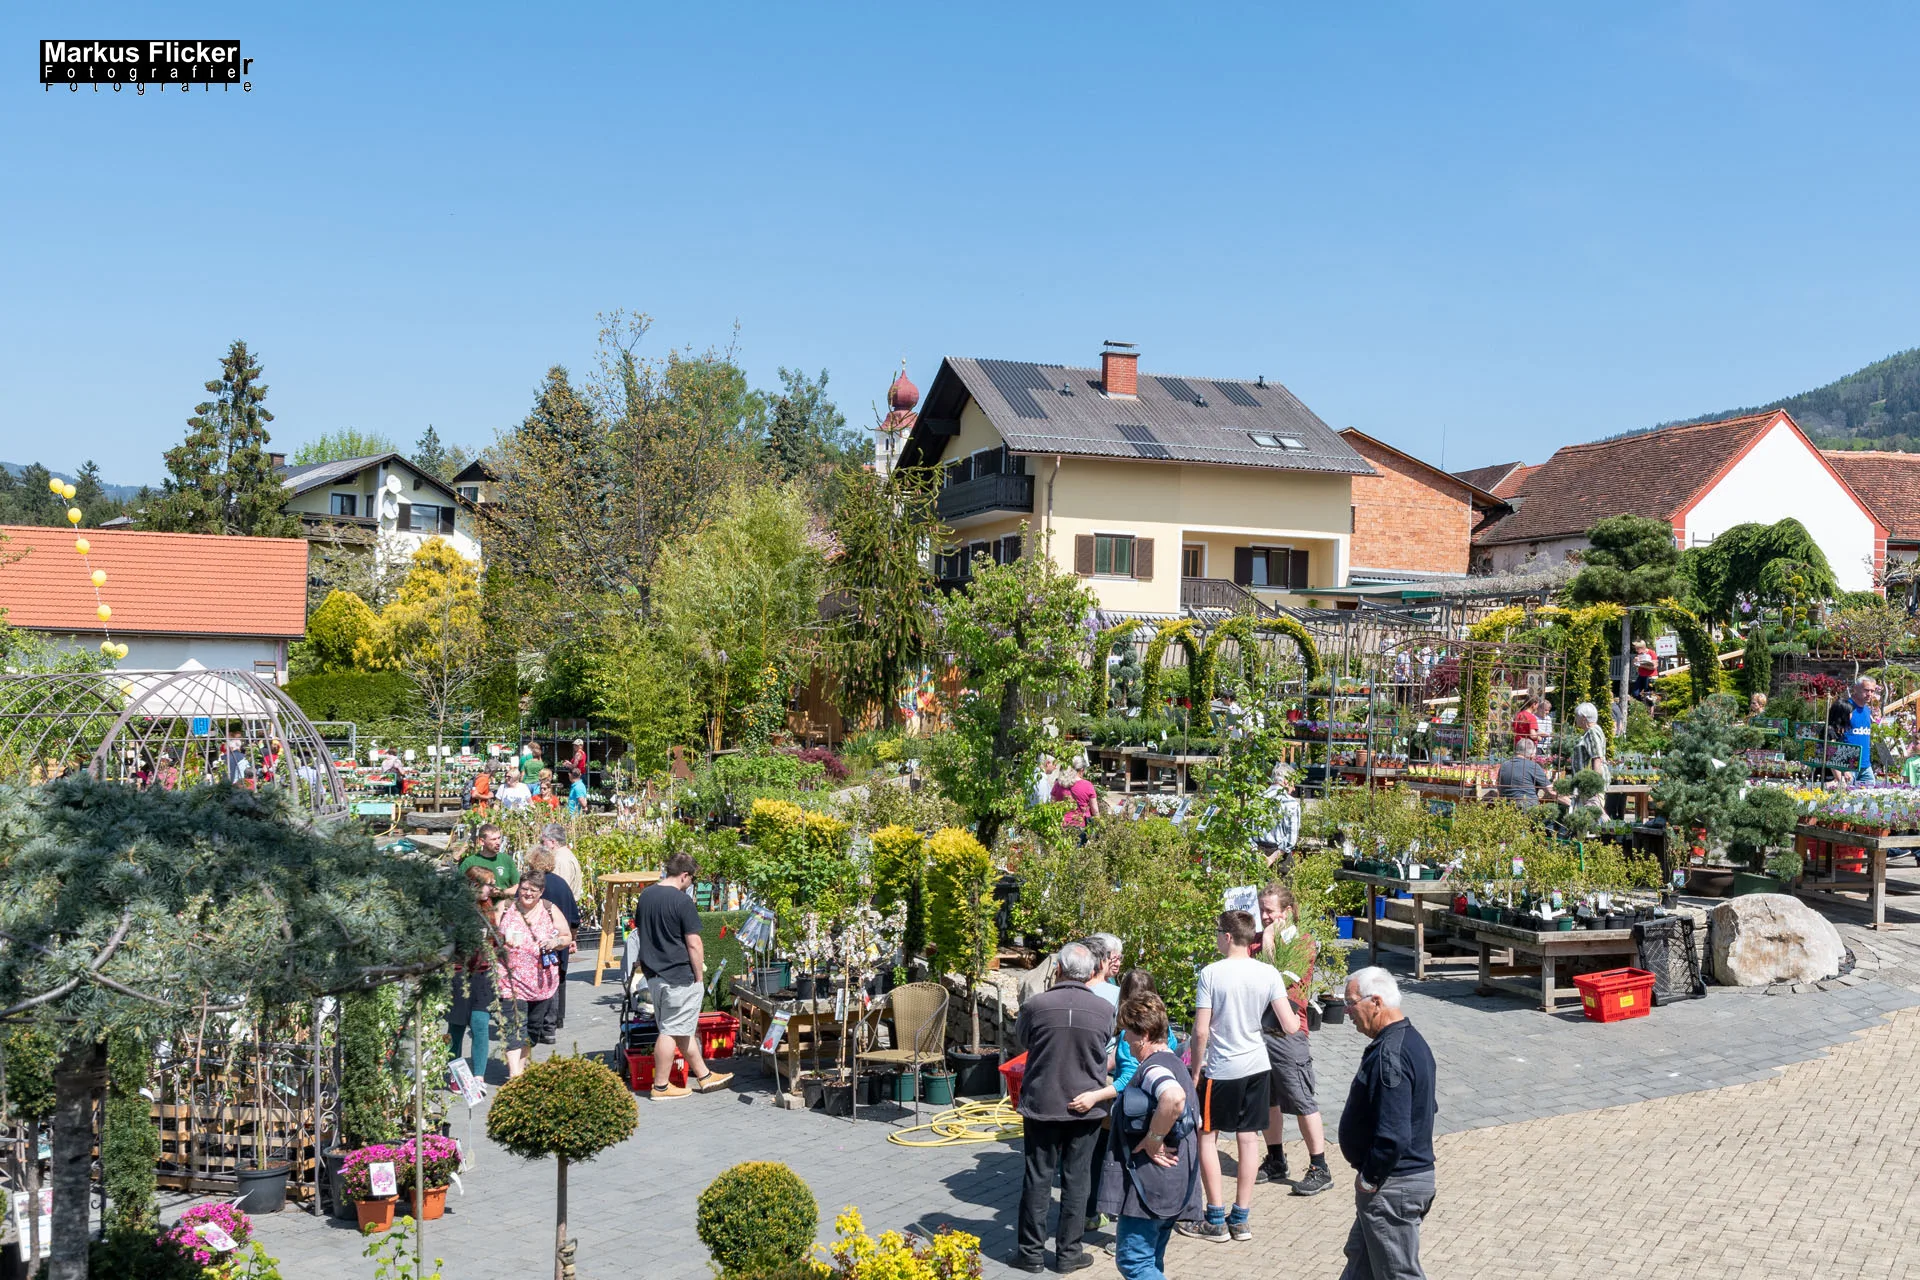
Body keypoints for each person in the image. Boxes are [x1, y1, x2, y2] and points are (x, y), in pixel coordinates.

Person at [1175, 910, 1300, 1244]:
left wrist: (1196, 1071)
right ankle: (1241, 1219)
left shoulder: (1211, 974)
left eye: (1218, 932)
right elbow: (1291, 1026)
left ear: (1228, 936)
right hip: (1257, 1066)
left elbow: (1201, 1031)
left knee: (1207, 1137)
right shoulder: (1269, 972)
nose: (1216, 937)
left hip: (1221, 1068)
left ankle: (1215, 1218)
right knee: (1248, 1139)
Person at [1013, 941, 1114, 1274]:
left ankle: (1030, 1254)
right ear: (1090, 973)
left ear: (1058, 969)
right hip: (1085, 1105)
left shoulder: (1036, 1005)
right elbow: (1104, 1043)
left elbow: (1024, 1041)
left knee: (1038, 1177)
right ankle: (1069, 1254)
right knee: (1076, 1179)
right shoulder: (1103, 1009)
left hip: (1043, 1102)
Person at [1337, 967, 1437, 1280]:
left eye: (1351, 1003)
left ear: (1376, 1001)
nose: (1347, 1012)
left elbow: (1393, 1134)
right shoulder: (1411, 1040)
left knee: (1398, 1274)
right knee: (1360, 1263)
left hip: (1392, 1187)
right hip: (1399, 1184)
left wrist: (1370, 1177)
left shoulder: (1390, 1054)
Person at [1094, 992, 1202, 1280]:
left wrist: (1154, 1140)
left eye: (1128, 1032)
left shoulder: (1154, 1068)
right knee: (1152, 1259)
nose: (1125, 1040)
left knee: (1135, 1262)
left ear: (1143, 1034)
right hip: (1173, 1180)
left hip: (1151, 1185)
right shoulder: (1176, 1061)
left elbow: (1174, 1098)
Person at [1253, 885, 1333, 1196]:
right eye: (1262, 910)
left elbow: (1280, 980)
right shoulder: (1257, 941)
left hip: (1288, 1034)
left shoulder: (1303, 943)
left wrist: (1270, 941)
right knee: (1268, 1099)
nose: (1264, 916)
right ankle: (1276, 1158)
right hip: (1259, 1033)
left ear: (1286, 912)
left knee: (1301, 1099)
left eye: (1270, 911)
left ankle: (1320, 1166)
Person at [632, 853, 732, 1099]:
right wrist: (698, 975)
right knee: (669, 1030)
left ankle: (704, 1075)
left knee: (680, 1027)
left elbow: (639, 931)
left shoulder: (646, 896)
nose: (692, 883)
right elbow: (694, 944)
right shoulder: (682, 901)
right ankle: (661, 1086)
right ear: (684, 875)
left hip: (654, 974)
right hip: (678, 974)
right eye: (692, 878)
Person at [492, 871, 572, 1079]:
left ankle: (521, 1066)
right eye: (524, 889)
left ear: (541, 892)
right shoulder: (506, 907)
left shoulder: (549, 909)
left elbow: (566, 936)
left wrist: (555, 942)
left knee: (533, 1030)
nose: (527, 894)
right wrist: (500, 941)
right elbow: (490, 935)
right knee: (514, 1026)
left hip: (541, 982)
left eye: (533, 891)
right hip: (509, 979)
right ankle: (515, 1074)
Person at [448, 870, 499, 1087]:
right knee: (457, 1027)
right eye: (488, 885)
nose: (492, 889)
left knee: (480, 1024)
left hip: (483, 973)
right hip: (460, 973)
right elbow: (448, 942)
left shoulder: (488, 907)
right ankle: (455, 1075)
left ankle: (479, 1076)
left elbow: (495, 939)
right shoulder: (456, 910)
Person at [528, 848, 579, 1039]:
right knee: (558, 978)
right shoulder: (561, 884)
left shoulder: (530, 885)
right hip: (560, 938)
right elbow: (575, 917)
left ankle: (540, 1024)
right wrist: (572, 938)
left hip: (539, 940)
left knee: (541, 980)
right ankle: (556, 1020)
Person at [1828, 677, 1880, 783]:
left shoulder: (1866, 710)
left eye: (1872, 691)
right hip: (1847, 767)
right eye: (1866, 690)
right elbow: (1832, 740)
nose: (1869, 694)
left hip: (1865, 766)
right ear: (1856, 688)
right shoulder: (1845, 707)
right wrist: (1841, 768)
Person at [1568, 702, 1610, 808]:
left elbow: (1597, 758)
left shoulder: (1592, 732)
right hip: (1587, 781)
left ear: (1584, 718)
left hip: (1590, 783)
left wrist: (1594, 786)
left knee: (1592, 813)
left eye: (1577, 716)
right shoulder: (1594, 730)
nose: (1575, 719)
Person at [1259, 764, 1302, 867]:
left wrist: (1258, 854)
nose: (1294, 788)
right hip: (1280, 860)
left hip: (1256, 856)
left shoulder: (1257, 800)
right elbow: (1291, 839)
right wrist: (1270, 859)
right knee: (1282, 883)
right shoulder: (1291, 803)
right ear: (1286, 781)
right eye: (1293, 783)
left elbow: (1247, 833)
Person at [1494, 739, 1555, 809]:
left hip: (1507, 810)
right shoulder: (1533, 766)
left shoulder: (1504, 765)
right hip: (1528, 810)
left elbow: (1499, 787)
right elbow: (1551, 791)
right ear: (1531, 754)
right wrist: (1569, 803)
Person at [459, 823, 518, 889]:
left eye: (499, 838)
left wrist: (501, 893)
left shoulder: (506, 860)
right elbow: (459, 888)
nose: (498, 842)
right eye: (493, 839)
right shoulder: (470, 862)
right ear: (482, 841)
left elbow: (517, 887)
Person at [537, 823, 585, 901]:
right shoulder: (566, 854)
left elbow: (558, 892)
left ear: (552, 842)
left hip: (560, 909)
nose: (542, 845)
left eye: (543, 842)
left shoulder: (560, 860)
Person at [1054, 764, 1097, 835]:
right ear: (1081, 770)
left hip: (1061, 825)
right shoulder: (1087, 785)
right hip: (1080, 825)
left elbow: (1052, 804)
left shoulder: (1058, 784)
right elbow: (1095, 810)